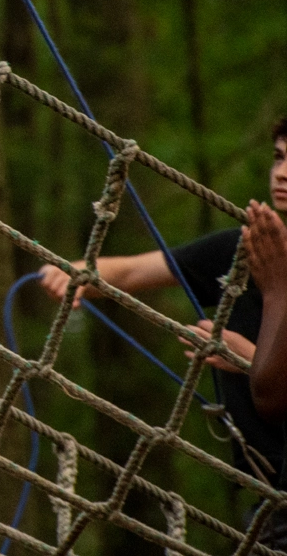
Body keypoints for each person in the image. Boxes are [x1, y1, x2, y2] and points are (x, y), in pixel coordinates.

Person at [39, 119, 287, 495]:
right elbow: (136, 270)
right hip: (267, 493)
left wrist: (248, 358)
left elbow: (273, 395)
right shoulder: (247, 251)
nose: (282, 173)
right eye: (278, 158)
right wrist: (81, 271)